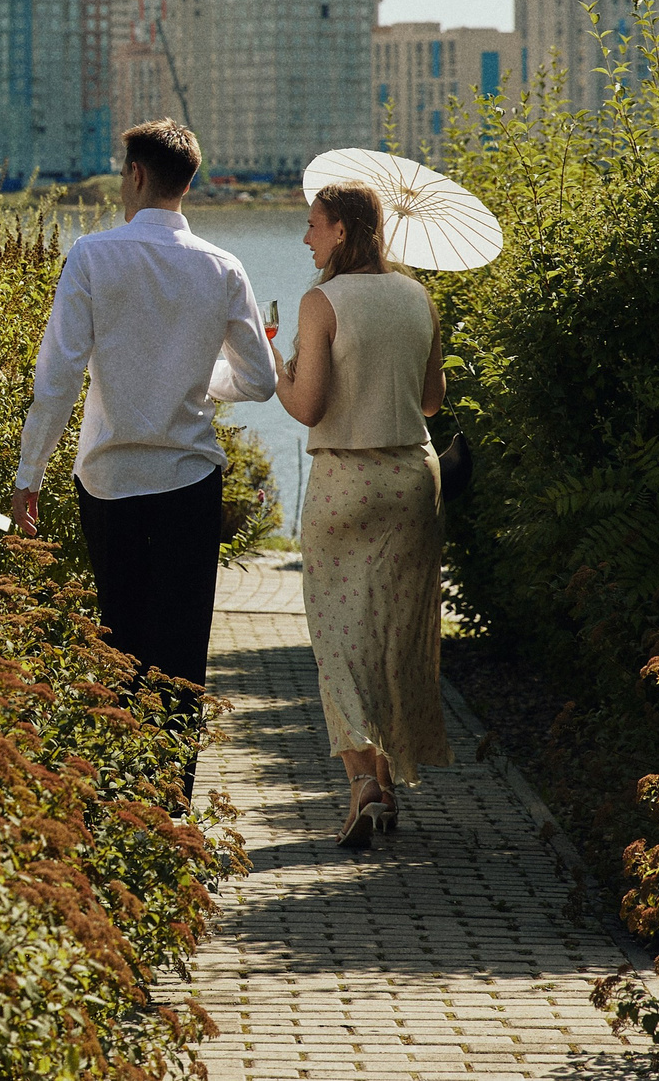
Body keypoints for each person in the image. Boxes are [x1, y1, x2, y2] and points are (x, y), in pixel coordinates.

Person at [11, 120, 279, 796]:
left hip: (109, 480)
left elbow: (58, 379)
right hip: (190, 479)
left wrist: (29, 474)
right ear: (187, 182)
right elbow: (261, 379)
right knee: (182, 651)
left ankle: (118, 796)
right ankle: (172, 807)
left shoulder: (93, 256)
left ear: (135, 176)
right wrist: (197, 377)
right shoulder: (225, 267)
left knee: (119, 640)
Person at [275, 180, 450, 848]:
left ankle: (363, 784)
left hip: (345, 482)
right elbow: (432, 401)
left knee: (338, 639)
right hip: (411, 477)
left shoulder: (321, 301)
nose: (306, 236)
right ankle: (388, 778)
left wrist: (277, 365)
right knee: (395, 637)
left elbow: (309, 404)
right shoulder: (417, 296)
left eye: (313, 224)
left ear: (342, 229)